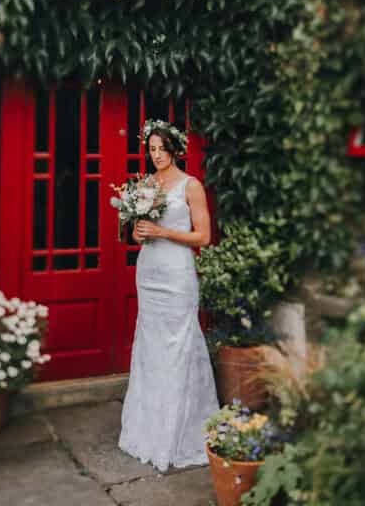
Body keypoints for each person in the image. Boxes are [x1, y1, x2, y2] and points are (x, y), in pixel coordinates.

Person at [118, 119, 219, 471]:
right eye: (151, 150)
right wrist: (141, 232)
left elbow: (203, 237)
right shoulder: (144, 186)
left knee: (179, 344)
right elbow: (136, 236)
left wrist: (162, 230)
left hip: (177, 273)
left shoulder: (191, 186)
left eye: (161, 149)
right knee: (152, 345)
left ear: (174, 150)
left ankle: (180, 433)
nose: (156, 155)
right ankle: (148, 430)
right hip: (149, 272)